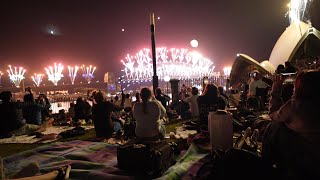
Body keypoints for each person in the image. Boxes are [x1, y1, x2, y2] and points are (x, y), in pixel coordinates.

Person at [263, 70, 320, 179]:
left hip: (303, 163)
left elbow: (274, 114)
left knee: (275, 127)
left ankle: (266, 168)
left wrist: (276, 89)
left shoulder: (296, 106)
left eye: (295, 86)